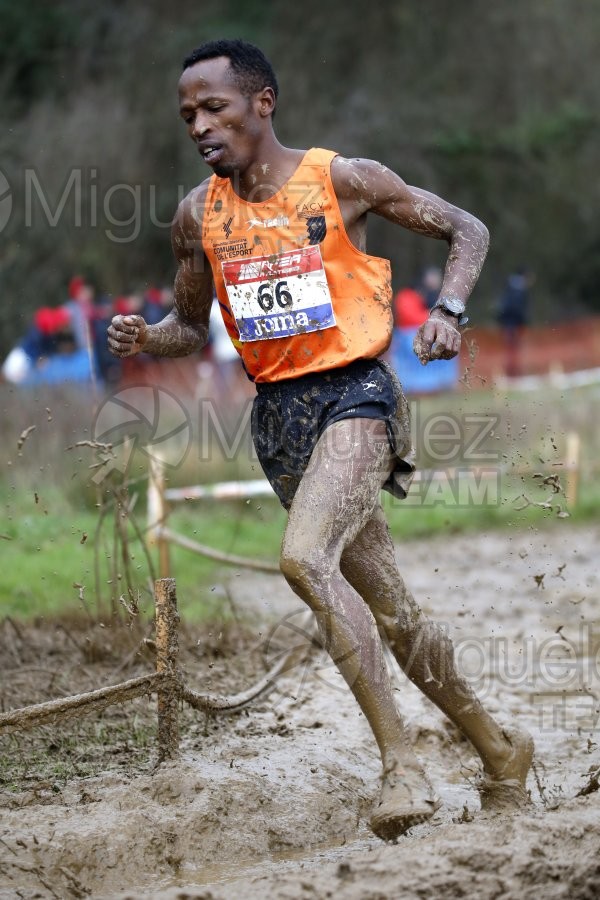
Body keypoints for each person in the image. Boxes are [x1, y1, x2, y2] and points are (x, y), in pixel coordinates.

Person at [108, 39, 533, 841]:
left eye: (215, 108)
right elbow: (190, 328)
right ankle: (500, 751)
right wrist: (144, 336)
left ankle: (401, 763)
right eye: (187, 115)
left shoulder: (345, 180)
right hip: (280, 421)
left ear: (263, 103)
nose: (200, 125)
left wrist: (450, 311)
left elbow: (466, 229)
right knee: (396, 613)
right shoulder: (197, 216)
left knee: (304, 560)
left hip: (357, 397)